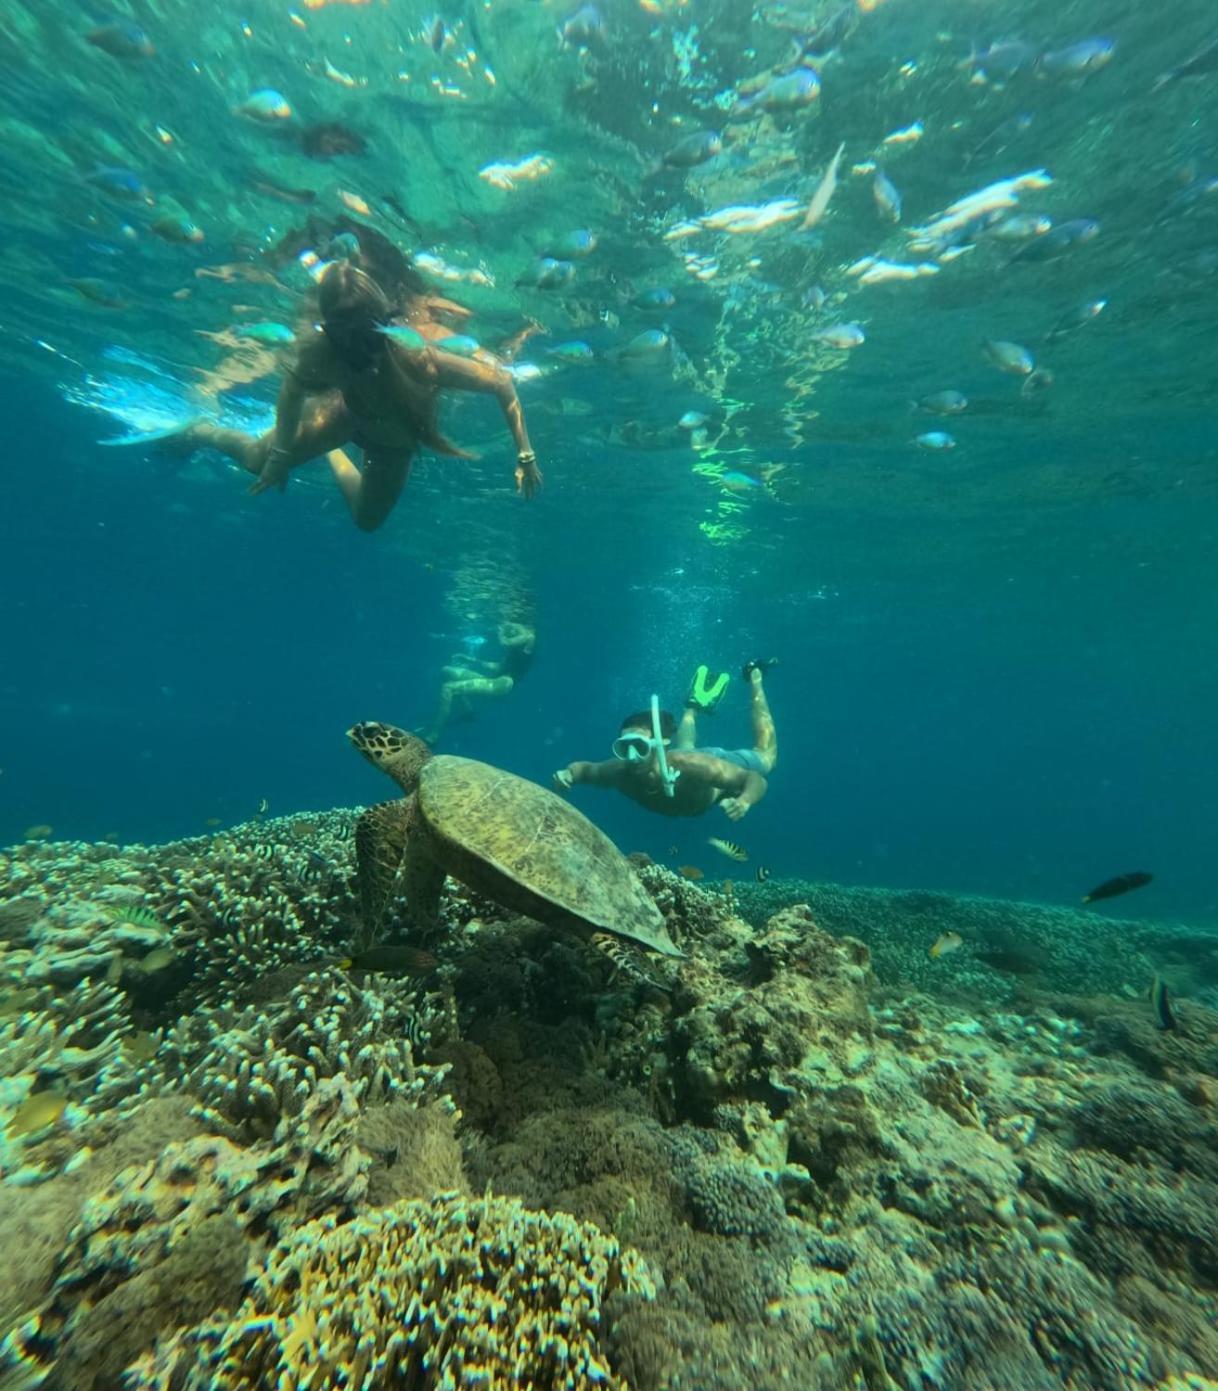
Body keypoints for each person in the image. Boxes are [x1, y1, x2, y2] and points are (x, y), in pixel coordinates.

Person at [175, 257, 541, 531]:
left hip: (391, 442)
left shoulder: (417, 357)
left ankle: (332, 451)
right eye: (346, 334)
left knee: (367, 520)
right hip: (341, 417)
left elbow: (501, 382)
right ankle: (202, 430)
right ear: (331, 329)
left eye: (366, 332)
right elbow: (290, 393)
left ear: (384, 322)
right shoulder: (322, 352)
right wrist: (280, 454)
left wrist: (525, 455)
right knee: (258, 460)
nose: (358, 345)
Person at [553, 660, 777, 820]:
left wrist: (744, 801)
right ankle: (692, 706)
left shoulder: (695, 766)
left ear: (658, 744)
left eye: (639, 747)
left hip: (709, 761)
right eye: (624, 747)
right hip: (681, 759)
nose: (631, 757)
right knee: (687, 746)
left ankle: (755, 677)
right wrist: (567, 774)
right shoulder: (619, 771)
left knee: (767, 757)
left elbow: (755, 780)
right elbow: (585, 770)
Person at [418, 619, 536, 744]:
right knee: (447, 670)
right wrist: (471, 659)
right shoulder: (515, 650)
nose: (511, 630)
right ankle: (467, 711)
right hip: (496, 679)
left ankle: (433, 736)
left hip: (504, 683)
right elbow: (499, 667)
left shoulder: (529, 636)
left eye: (513, 626)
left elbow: (505, 643)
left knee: (448, 688)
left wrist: (501, 631)